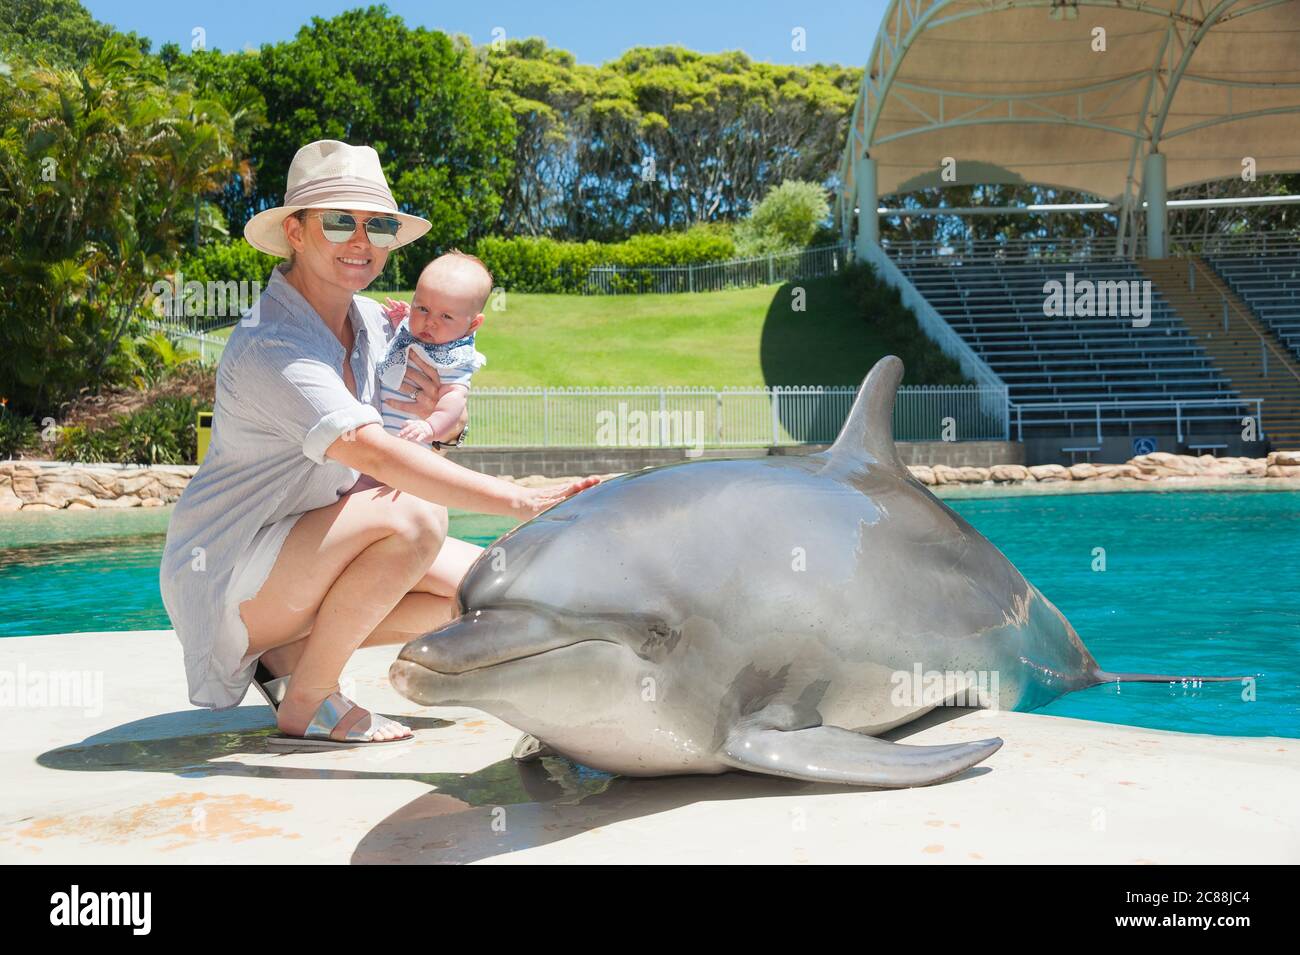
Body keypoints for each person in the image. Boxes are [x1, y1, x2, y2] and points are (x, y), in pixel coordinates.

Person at [159, 140, 596, 748]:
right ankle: (309, 700)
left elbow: (413, 439)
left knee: (495, 590)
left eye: (379, 225)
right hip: (231, 570)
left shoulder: (373, 325)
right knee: (417, 518)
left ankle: (290, 656)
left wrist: (440, 425)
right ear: (296, 232)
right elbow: (373, 455)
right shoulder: (274, 344)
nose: (361, 240)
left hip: (309, 546)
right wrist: (514, 499)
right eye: (339, 221)